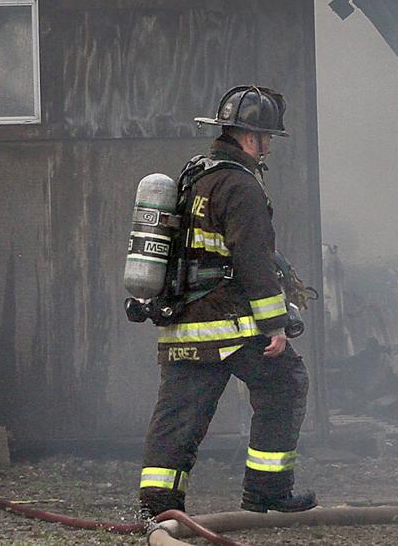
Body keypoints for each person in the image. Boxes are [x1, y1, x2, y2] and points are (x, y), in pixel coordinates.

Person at [138, 85, 316, 518]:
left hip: (183, 322)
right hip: (227, 322)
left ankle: (158, 506)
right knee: (285, 381)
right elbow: (252, 259)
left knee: (179, 416)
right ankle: (267, 491)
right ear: (250, 136)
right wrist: (274, 324)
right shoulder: (239, 185)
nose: (269, 146)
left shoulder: (198, 174)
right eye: (268, 137)